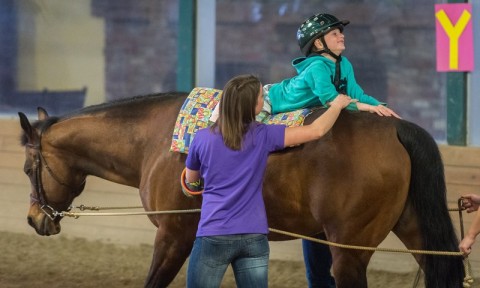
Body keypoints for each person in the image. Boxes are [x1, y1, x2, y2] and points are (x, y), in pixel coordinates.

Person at [184, 74, 355, 288]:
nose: (263, 97)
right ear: (252, 106)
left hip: (213, 234)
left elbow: (191, 182)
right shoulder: (264, 134)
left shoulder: (201, 138)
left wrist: (192, 186)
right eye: (260, 96)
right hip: (254, 236)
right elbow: (316, 131)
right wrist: (337, 105)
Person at [263, 13, 400, 120]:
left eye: (341, 32)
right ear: (319, 44)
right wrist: (368, 108)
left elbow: (357, 94)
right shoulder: (316, 68)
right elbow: (332, 100)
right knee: (250, 139)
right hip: (268, 101)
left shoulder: (344, 64)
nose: (342, 36)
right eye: (334, 34)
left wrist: (381, 107)